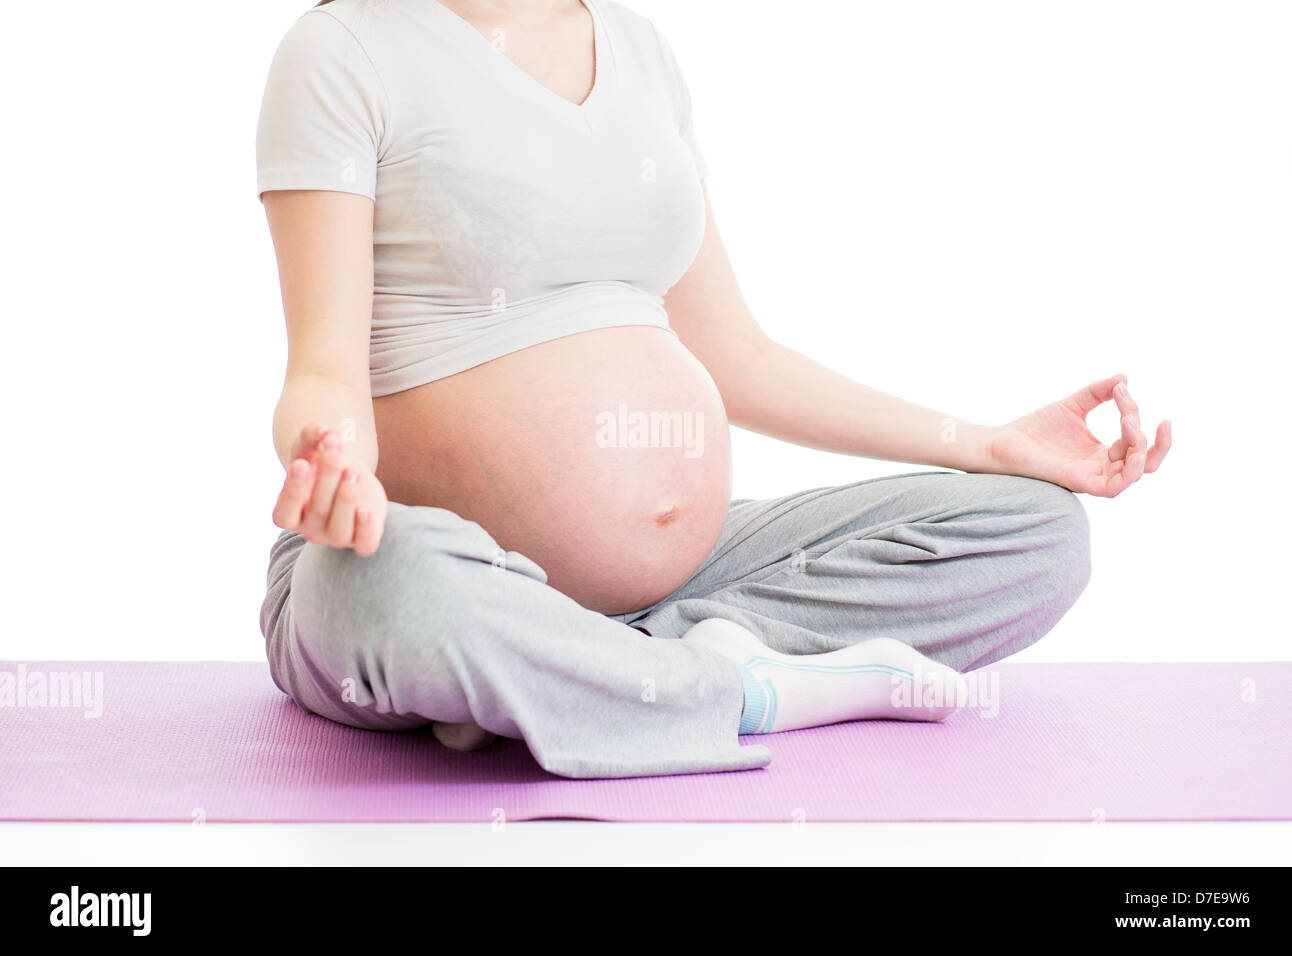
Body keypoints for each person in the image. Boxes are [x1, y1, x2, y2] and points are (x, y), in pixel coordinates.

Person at [255, 0, 1172, 778]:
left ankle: (586, 671)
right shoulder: (348, 50)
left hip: (683, 576)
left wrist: (990, 444)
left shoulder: (635, 48)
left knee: (1038, 533)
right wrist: (339, 470)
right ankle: (749, 691)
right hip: (427, 554)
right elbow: (325, 373)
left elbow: (739, 359)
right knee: (392, 590)